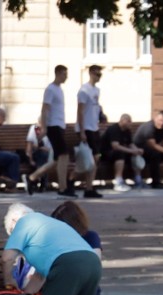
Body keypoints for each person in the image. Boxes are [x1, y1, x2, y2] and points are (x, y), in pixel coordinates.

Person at [41, 65, 75, 197]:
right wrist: (44, 127)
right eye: (64, 74)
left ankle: (32, 178)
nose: (66, 77)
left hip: (59, 126)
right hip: (53, 126)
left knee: (57, 158)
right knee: (64, 155)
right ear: (58, 73)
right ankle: (62, 187)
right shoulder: (50, 89)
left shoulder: (59, 89)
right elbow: (45, 108)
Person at [74, 64, 103, 198]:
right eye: (97, 74)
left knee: (94, 159)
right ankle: (76, 182)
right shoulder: (84, 91)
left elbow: (96, 108)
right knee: (90, 159)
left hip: (94, 127)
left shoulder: (96, 90)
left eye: (100, 75)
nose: (99, 77)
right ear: (91, 73)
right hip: (86, 128)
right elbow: (80, 111)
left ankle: (89, 187)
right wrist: (82, 131)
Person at [133, 110, 163, 189]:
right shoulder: (149, 127)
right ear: (155, 119)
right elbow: (153, 145)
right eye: (160, 120)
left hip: (153, 150)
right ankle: (156, 183)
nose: (162, 123)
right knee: (155, 155)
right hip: (140, 151)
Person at [100, 114, 144, 191]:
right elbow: (115, 146)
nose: (130, 123)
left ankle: (138, 180)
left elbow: (130, 144)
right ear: (122, 120)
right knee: (119, 154)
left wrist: (137, 150)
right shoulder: (114, 129)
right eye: (128, 121)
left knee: (135, 155)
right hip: (107, 153)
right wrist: (131, 151)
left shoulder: (127, 131)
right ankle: (118, 182)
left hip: (120, 152)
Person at [0, 107, 21, 186]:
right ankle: (12, 185)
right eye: (3, 117)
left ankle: (4, 177)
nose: (4, 120)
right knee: (15, 158)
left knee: (9, 157)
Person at [22, 120, 54, 194]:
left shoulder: (50, 130)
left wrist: (43, 148)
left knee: (44, 155)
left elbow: (51, 149)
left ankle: (36, 180)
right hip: (36, 155)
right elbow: (29, 146)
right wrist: (30, 160)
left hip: (47, 155)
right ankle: (42, 182)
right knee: (42, 155)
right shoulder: (34, 129)